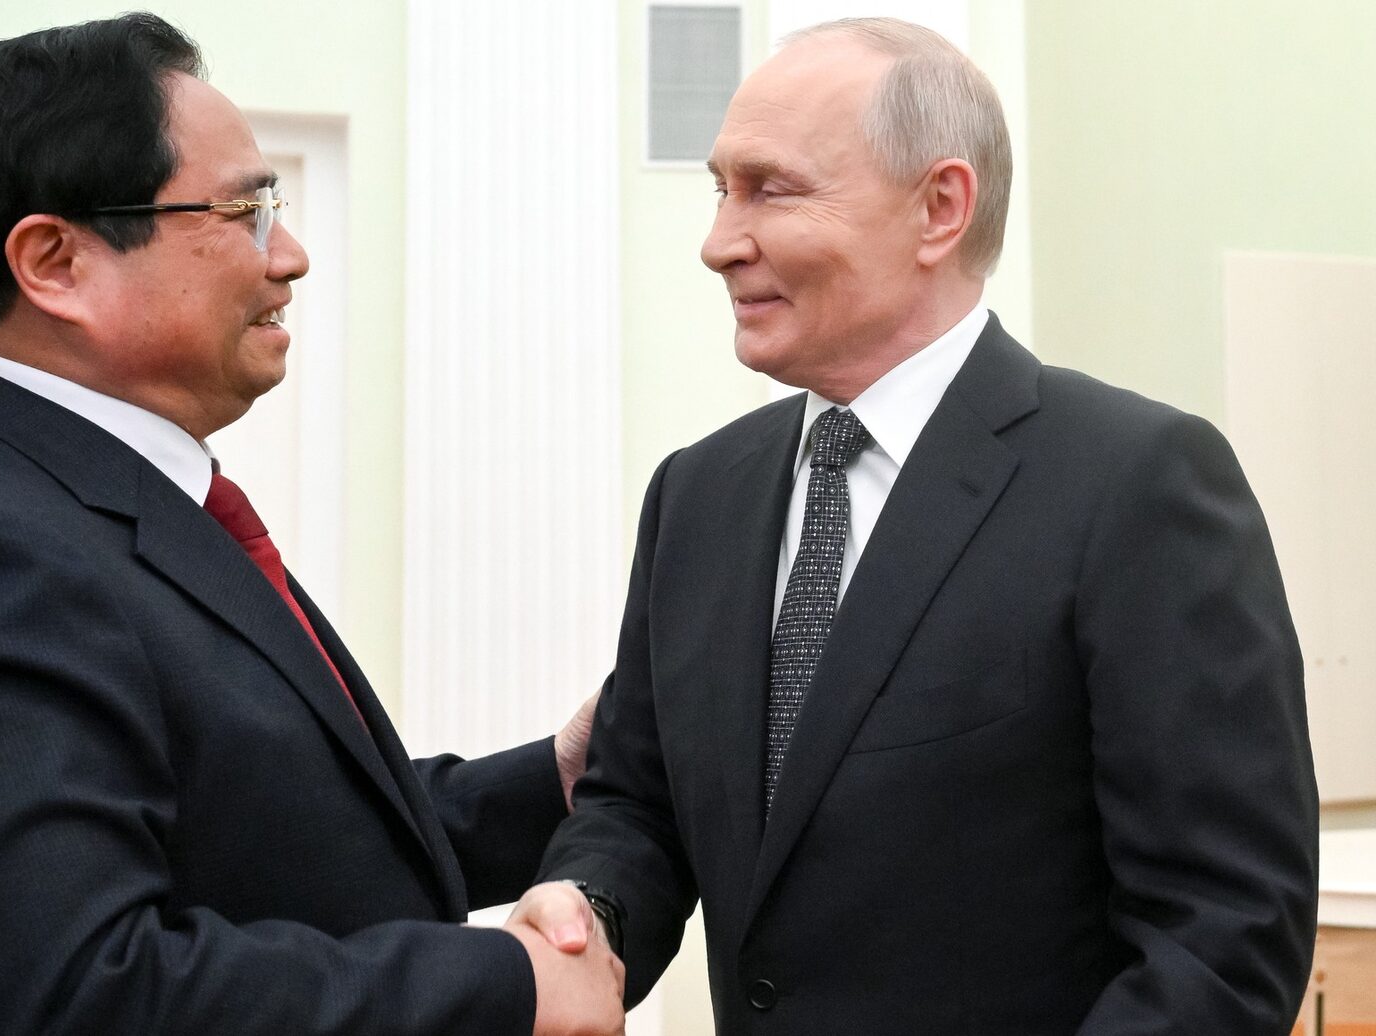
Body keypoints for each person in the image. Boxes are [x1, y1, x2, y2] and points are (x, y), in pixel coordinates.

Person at [0, 14, 623, 1035]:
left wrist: (553, 778)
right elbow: (79, 998)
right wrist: (504, 985)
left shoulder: (77, 500)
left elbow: (268, 829)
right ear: (56, 262)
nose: (290, 255)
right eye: (245, 209)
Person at [517, 16, 1317, 1034]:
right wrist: (589, 913)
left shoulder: (1135, 485)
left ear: (939, 208)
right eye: (721, 189)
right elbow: (639, 805)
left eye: (771, 189)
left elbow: (1223, 937)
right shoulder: (696, 495)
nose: (719, 242)